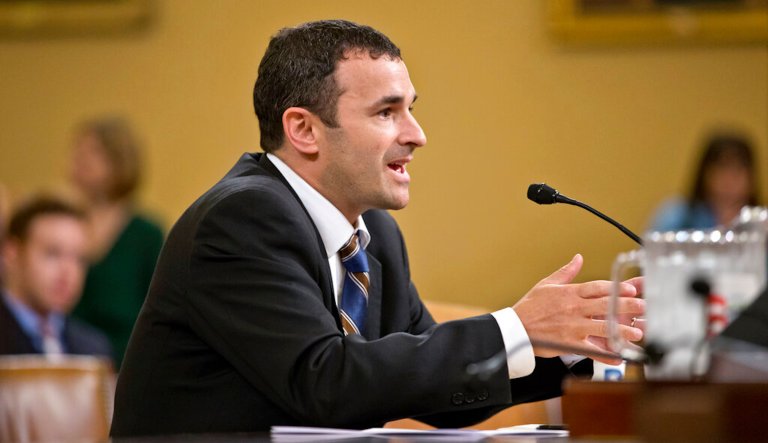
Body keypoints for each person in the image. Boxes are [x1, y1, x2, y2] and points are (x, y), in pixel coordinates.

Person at [111, 20, 644, 435]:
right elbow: (326, 380)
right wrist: (517, 326)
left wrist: (575, 342)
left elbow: (429, 384)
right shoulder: (241, 220)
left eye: (410, 109)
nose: (418, 135)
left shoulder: (372, 236)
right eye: (387, 112)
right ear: (303, 129)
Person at [68, 116, 164, 368]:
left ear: (119, 161)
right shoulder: (64, 225)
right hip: (67, 359)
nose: (81, 159)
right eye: (78, 149)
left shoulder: (146, 235)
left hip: (125, 362)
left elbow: (158, 310)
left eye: (94, 152)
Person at [0, 195, 112, 360]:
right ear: (12, 254)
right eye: (53, 253)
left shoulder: (94, 348)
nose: (68, 272)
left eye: (79, 259)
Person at [649, 132, 760, 231]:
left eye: (738, 169)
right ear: (705, 173)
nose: (729, 179)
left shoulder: (761, 222)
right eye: (722, 168)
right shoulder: (677, 216)